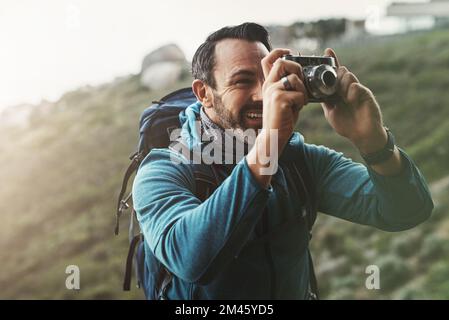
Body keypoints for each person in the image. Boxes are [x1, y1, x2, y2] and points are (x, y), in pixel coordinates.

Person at [132, 22, 433, 299]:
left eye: (267, 79)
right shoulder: (164, 170)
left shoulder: (299, 161)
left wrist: (373, 142)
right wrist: (270, 144)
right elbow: (192, 259)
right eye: (242, 81)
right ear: (203, 93)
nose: (262, 95)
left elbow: (406, 211)